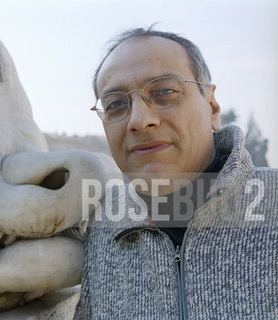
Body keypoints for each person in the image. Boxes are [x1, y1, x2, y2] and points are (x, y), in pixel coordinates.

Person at [74, 27, 278, 319]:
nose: (140, 120)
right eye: (116, 104)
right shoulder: (103, 228)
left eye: (164, 92)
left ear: (212, 106)